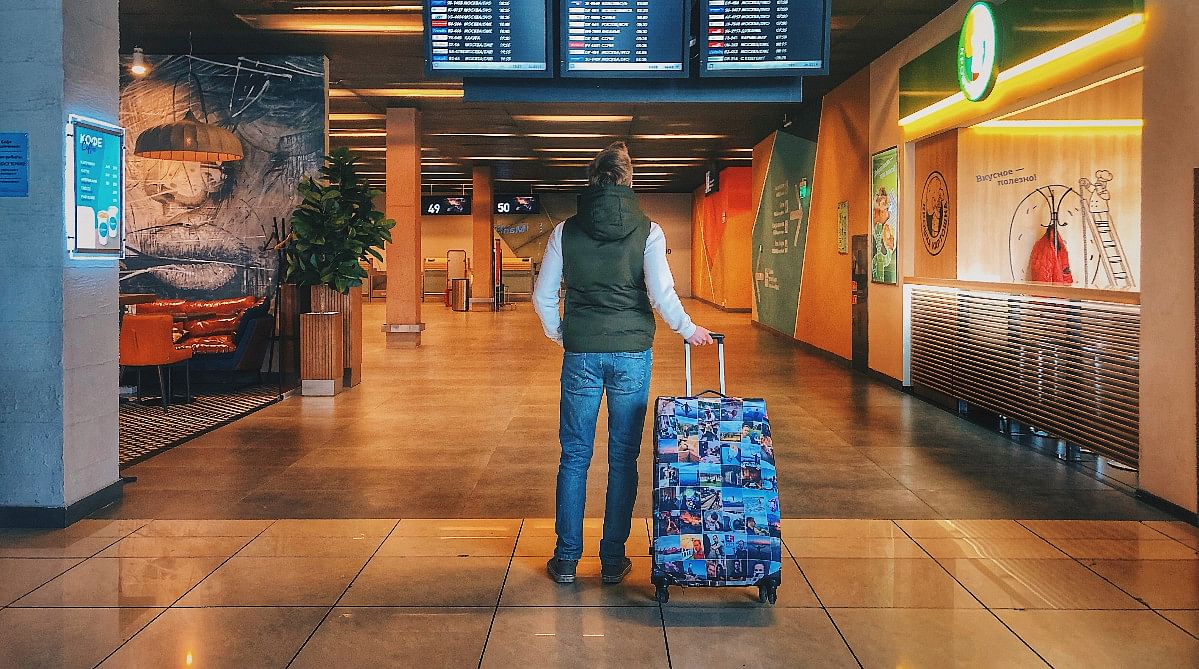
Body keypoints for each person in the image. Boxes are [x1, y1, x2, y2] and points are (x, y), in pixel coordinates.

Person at [535, 141, 714, 585]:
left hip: (581, 353)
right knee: (623, 457)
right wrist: (689, 329)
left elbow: (542, 296)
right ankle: (613, 560)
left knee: (574, 455)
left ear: (591, 180)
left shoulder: (564, 232)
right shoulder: (649, 230)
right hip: (633, 353)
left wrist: (561, 332)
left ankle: (566, 560)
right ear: (628, 180)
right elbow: (661, 293)